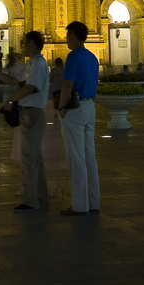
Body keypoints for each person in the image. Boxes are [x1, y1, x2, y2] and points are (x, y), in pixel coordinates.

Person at [0, 31, 49, 212]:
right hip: (28, 114)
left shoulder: (38, 63)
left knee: (29, 159)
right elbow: (13, 81)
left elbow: (30, 87)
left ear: (31, 43)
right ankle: (41, 196)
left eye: (24, 42)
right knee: (35, 158)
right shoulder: (32, 64)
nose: (22, 46)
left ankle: (31, 201)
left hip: (33, 114)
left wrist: (11, 100)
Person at [57, 21, 100, 216]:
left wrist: (60, 106)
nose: (66, 40)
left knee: (76, 158)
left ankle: (79, 205)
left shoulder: (73, 56)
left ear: (73, 36)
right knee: (89, 155)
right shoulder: (92, 57)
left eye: (67, 36)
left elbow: (67, 84)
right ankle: (93, 201)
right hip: (90, 106)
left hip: (75, 109)